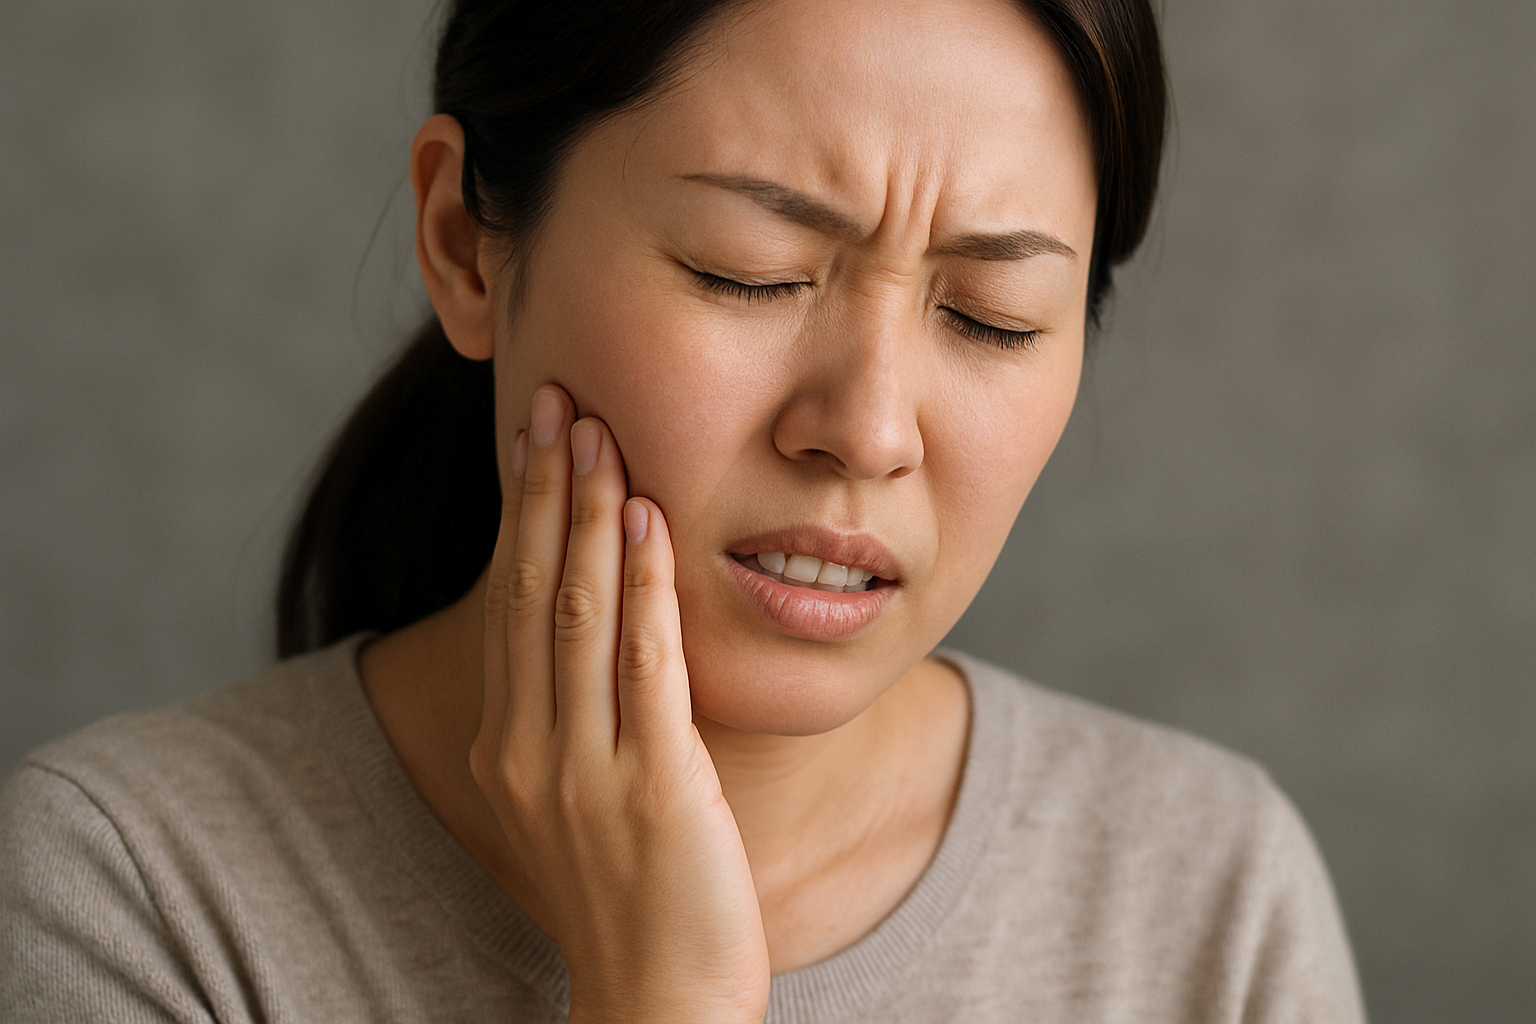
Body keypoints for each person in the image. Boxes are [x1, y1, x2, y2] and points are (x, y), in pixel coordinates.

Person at [0, 0, 1368, 1020]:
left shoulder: (1205, 900)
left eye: (990, 318)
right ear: (466, 243)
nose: (869, 431)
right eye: (751, 271)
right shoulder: (130, 897)